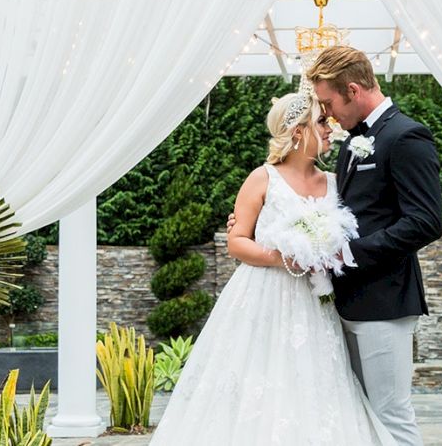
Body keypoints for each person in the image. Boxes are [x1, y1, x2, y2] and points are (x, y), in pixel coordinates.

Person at [150, 92, 396, 446]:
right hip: (262, 296)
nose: (330, 129)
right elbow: (237, 242)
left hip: (314, 302)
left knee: (312, 383)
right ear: (298, 132)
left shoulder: (334, 182)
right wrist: (283, 257)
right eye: (321, 122)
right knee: (258, 380)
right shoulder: (262, 178)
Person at [304, 45, 442, 446]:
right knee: (360, 414)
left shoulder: (406, 136)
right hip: (348, 299)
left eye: (329, 103)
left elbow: (425, 222)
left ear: (353, 89)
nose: (327, 115)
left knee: (391, 415)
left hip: (386, 301)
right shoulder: (352, 143)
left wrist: (350, 254)